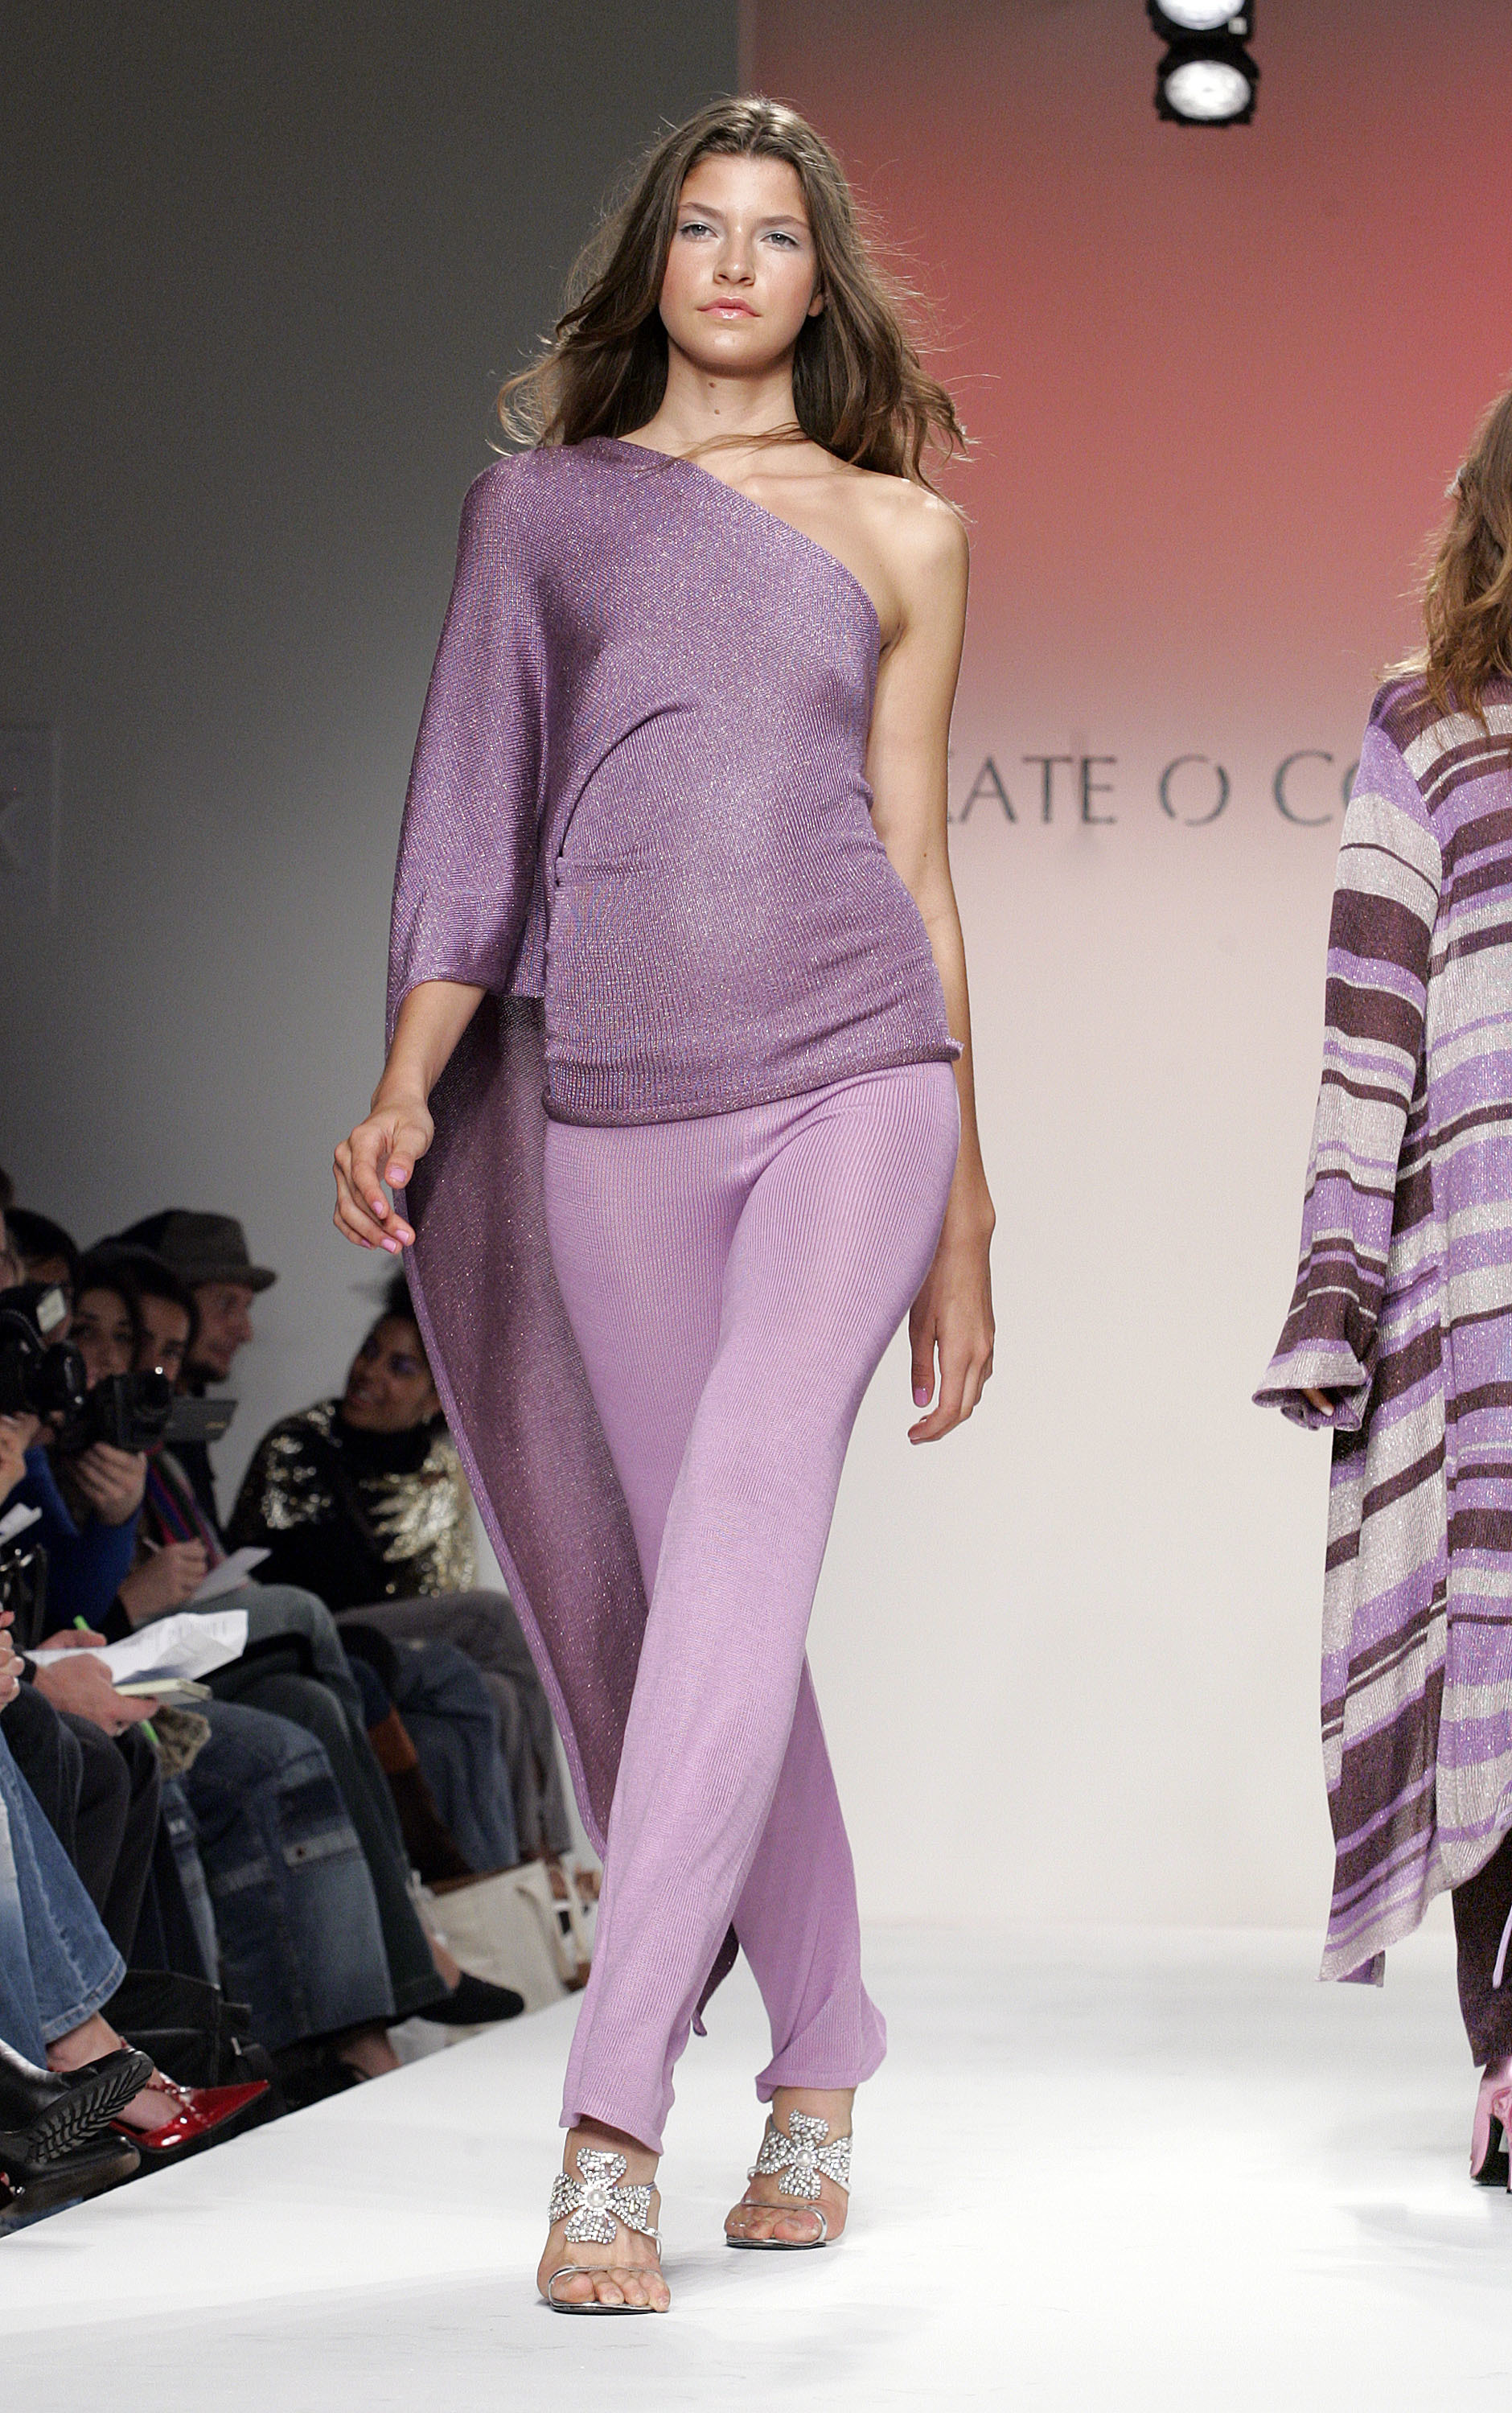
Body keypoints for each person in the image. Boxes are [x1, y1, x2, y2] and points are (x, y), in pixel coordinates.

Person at [334, 99, 995, 2312]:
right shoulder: (538, 512)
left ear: (820, 280)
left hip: (857, 1085)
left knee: (740, 1537)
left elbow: (919, 868)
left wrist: (966, 1216)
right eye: (698, 228)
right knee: (700, 1601)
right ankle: (823, 2050)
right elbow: (471, 814)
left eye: (772, 234)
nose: (730, 261)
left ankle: (609, 2123)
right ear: (654, 263)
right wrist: (407, 1079)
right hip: (606, 1108)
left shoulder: (901, 529)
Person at [1257, 381, 1512, 2186]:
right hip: (1487, 1262)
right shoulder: (1427, 721)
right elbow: (1371, 1014)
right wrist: (1337, 1290)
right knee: (1496, 1644)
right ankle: (1510, 2059)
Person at [228, 1271, 574, 1859]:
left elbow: (444, 1591)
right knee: (495, 1618)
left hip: (411, 1655)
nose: (370, 1373)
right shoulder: (299, 1446)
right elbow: (295, 1586)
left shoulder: (440, 1470)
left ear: (435, 1399)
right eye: (370, 1351)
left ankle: (511, 1878)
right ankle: (548, 1852)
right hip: (321, 1634)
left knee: (499, 1692)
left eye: (401, 1367)